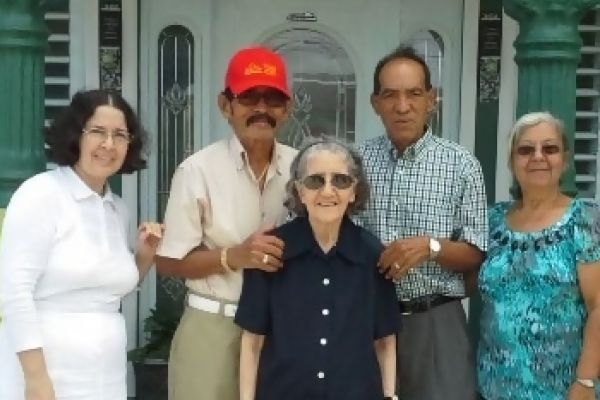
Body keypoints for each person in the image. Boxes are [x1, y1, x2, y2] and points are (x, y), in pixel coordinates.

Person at [154, 46, 298, 400]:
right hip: (213, 329)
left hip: (284, 331)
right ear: (225, 105)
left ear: (288, 109)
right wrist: (233, 256)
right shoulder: (197, 171)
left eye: (273, 99)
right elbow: (169, 261)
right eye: (249, 97)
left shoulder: (305, 170)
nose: (262, 109)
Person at [0, 89, 163, 400]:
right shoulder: (40, 195)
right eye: (97, 132)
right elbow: (14, 292)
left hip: (105, 376)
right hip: (47, 374)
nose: (108, 145)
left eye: (119, 135)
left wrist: (144, 256)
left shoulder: (118, 209)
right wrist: (36, 380)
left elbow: (106, 291)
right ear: (75, 135)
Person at [355, 45, 489, 400]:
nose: (402, 106)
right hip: (364, 321)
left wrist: (431, 247)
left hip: (436, 321)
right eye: (390, 95)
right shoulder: (353, 163)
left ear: (432, 99)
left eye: (414, 94)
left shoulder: (462, 165)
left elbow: (476, 253)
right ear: (375, 103)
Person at [235, 138, 401, 400]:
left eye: (340, 181)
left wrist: (390, 395)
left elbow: (384, 340)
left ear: (354, 192)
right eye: (315, 181)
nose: (327, 191)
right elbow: (252, 341)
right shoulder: (272, 251)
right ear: (300, 191)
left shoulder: (373, 255)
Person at [477, 112, 600, 400]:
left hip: (562, 389)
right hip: (494, 387)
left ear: (564, 159)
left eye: (550, 148)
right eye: (525, 150)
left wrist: (585, 381)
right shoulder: (492, 221)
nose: (538, 157)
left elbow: (598, 307)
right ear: (511, 161)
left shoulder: (584, 219)